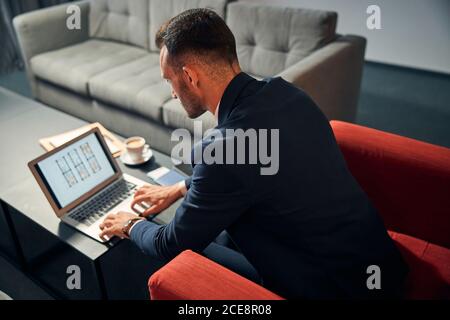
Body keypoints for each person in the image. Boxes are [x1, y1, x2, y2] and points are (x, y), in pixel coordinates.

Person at [99, 8, 408, 299]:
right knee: (220, 227)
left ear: (191, 77)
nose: (172, 92)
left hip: (332, 288)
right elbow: (254, 167)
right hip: (380, 264)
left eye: (170, 80)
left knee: (187, 252)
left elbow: (170, 244)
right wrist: (181, 187)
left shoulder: (221, 152)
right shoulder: (289, 94)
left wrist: (130, 224)